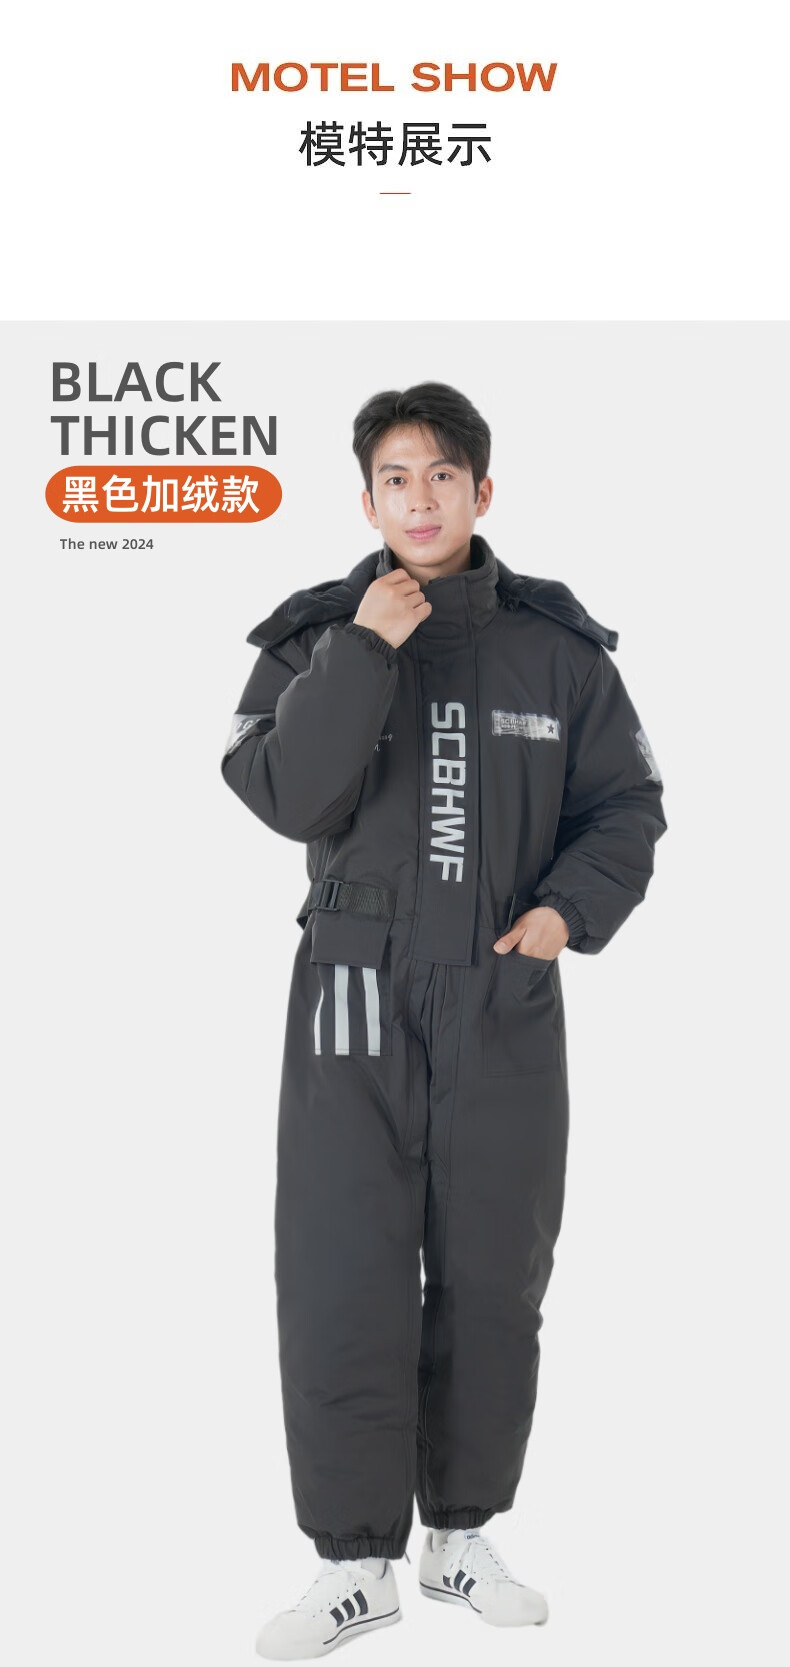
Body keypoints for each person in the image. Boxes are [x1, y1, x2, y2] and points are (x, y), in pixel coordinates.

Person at [221, 382, 667, 1658]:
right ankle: (354, 1562)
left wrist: (565, 913)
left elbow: (626, 805)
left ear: (482, 489)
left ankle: (460, 1536)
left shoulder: (557, 650)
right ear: (366, 499)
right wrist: (365, 649)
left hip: (499, 994)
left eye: (442, 477)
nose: (420, 501)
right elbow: (287, 795)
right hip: (351, 998)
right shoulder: (315, 636)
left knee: (491, 1276)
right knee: (340, 1271)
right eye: (395, 479)